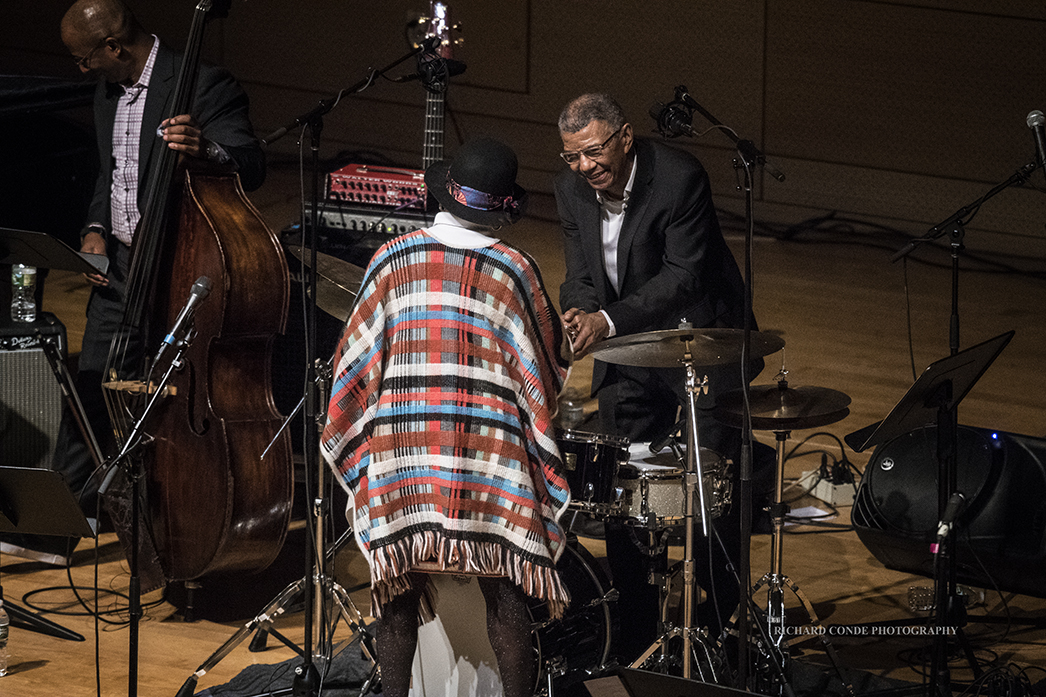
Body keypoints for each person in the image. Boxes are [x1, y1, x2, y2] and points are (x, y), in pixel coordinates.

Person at [0, 0, 266, 565]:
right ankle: (83, 515)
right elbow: (112, 169)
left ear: (114, 47)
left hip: (176, 268)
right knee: (92, 385)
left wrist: (208, 149)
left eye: (83, 57)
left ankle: (168, 519)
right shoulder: (108, 88)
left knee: (166, 404)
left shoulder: (204, 82)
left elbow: (252, 161)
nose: (80, 69)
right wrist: (96, 227)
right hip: (119, 269)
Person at [321, 137, 573, 697]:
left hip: (402, 449)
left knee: (397, 584)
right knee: (507, 590)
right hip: (489, 455)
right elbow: (547, 368)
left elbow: (353, 362)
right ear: (502, 207)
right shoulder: (514, 268)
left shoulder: (391, 257)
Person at [554, 93, 766, 661]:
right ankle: (636, 627)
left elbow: (684, 275)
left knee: (713, 488)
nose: (585, 167)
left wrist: (606, 319)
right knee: (618, 487)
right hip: (627, 347)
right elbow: (580, 273)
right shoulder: (570, 187)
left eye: (594, 152)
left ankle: (720, 625)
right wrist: (577, 310)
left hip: (702, 339)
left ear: (624, 138)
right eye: (573, 156)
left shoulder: (678, 178)